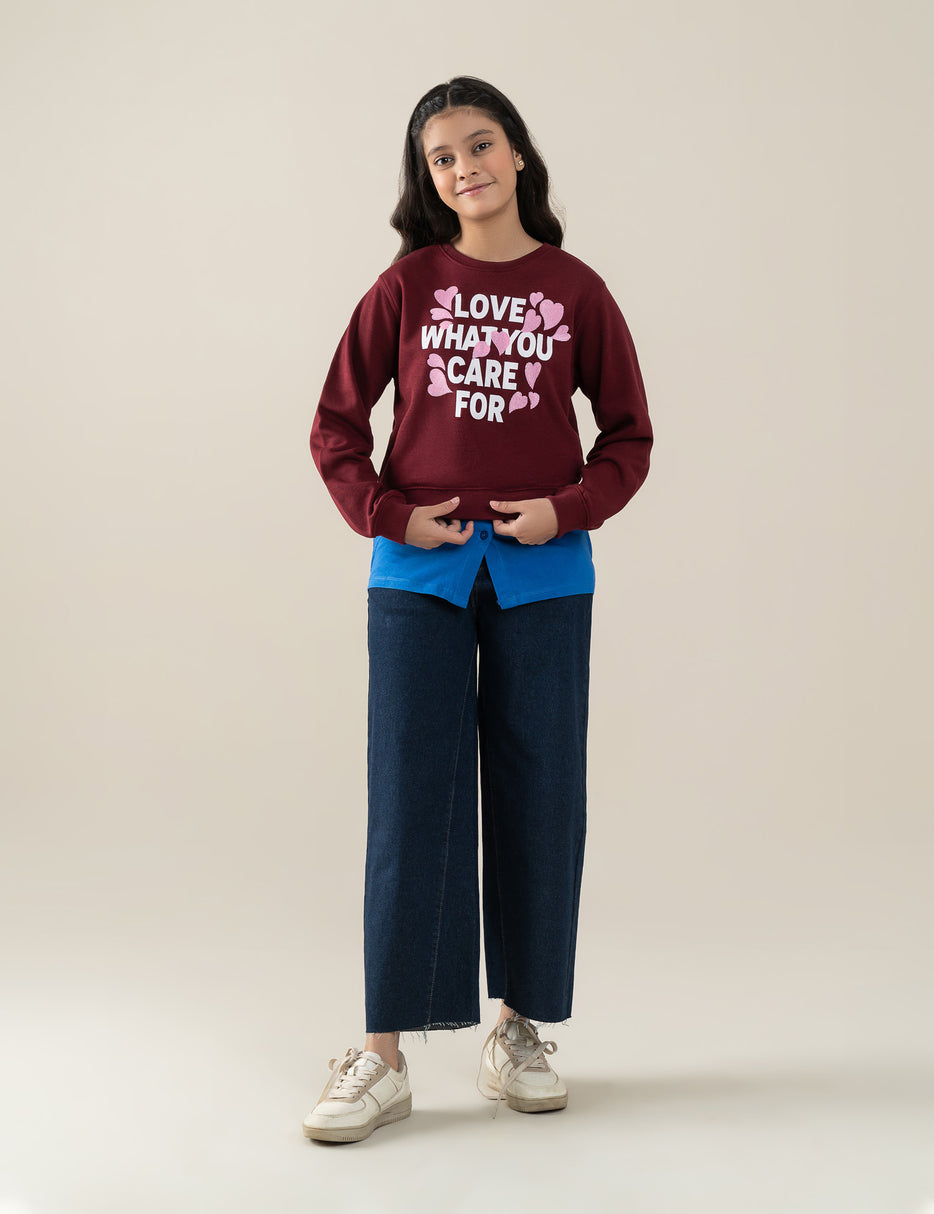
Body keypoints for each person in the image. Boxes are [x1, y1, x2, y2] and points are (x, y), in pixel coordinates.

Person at [302, 75, 653, 1144]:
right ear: (428, 180)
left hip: (546, 578)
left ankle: (519, 1028)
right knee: (411, 797)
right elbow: (334, 425)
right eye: (442, 157)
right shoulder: (406, 286)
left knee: (542, 796)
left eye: (481, 144)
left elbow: (628, 437)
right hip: (418, 579)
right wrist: (389, 516)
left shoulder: (577, 290)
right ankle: (383, 1053)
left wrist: (567, 508)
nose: (465, 168)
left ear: (519, 153)